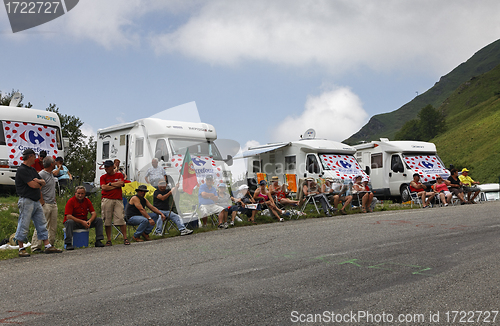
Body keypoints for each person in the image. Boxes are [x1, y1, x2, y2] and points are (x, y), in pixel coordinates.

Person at [14, 148, 62, 257]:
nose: (36, 159)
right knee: (24, 223)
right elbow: (33, 185)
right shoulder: (22, 170)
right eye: (34, 157)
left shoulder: (31, 170)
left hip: (35, 201)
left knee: (42, 223)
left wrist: (39, 181)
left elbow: (43, 182)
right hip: (26, 200)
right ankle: (21, 248)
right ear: (30, 156)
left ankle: (47, 245)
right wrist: (38, 182)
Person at [31, 156, 59, 253]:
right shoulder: (42, 174)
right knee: (42, 224)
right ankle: (35, 246)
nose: (55, 163)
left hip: (53, 203)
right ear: (51, 164)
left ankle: (49, 245)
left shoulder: (51, 174)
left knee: (52, 226)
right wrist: (42, 202)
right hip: (45, 203)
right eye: (54, 162)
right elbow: (38, 189)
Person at [64, 186, 105, 250]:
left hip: (85, 221)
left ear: (85, 194)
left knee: (99, 220)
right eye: (78, 193)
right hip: (75, 222)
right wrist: (82, 222)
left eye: (82, 193)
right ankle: (68, 243)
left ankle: (98, 240)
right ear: (75, 193)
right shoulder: (71, 201)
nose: (80, 195)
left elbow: (94, 213)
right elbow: (68, 216)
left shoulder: (87, 201)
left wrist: (90, 221)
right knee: (69, 222)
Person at [100, 160, 128, 245]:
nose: (106, 168)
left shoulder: (119, 174)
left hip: (118, 199)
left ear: (113, 167)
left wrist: (109, 184)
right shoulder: (103, 177)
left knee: (120, 218)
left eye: (108, 167)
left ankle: (125, 238)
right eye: (105, 167)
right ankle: (109, 239)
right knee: (107, 219)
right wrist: (114, 185)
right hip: (107, 199)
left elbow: (121, 183)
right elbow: (104, 187)